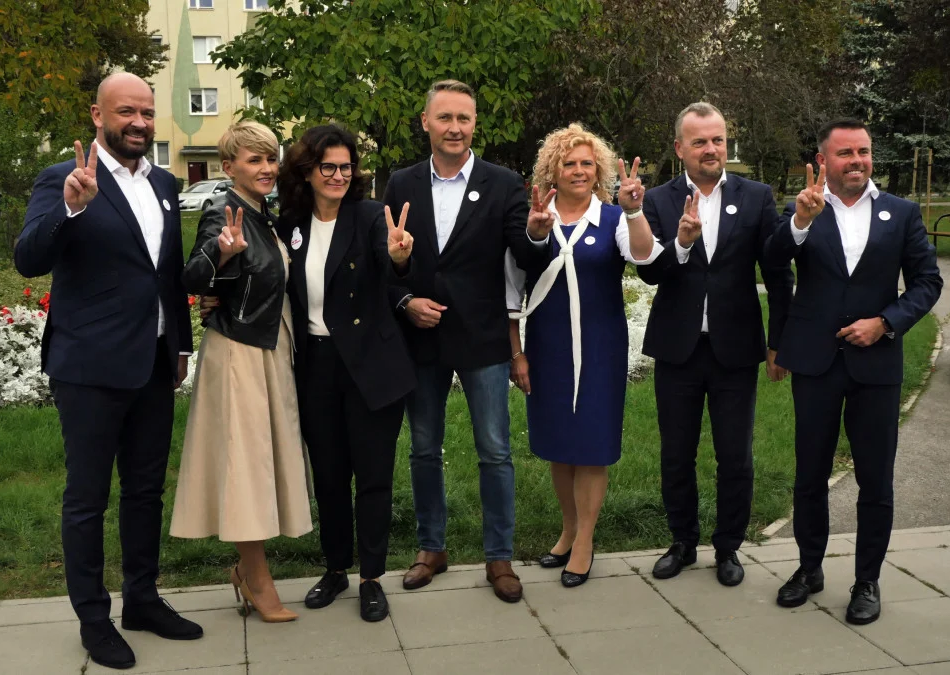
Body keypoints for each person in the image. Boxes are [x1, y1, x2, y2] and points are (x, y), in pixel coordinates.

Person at [15, 73, 201, 670]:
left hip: (152, 363)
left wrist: (179, 346)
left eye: (147, 111)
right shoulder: (64, 178)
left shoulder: (165, 183)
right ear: (98, 115)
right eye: (126, 112)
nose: (139, 123)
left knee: (145, 491)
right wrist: (70, 209)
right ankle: (94, 619)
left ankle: (142, 601)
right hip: (89, 367)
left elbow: (166, 273)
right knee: (87, 499)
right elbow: (28, 259)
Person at [765, 119, 942, 624]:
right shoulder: (803, 208)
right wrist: (799, 223)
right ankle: (809, 568)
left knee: (875, 478)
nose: (857, 161)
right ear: (823, 161)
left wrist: (886, 322)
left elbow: (927, 282)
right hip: (815, 362)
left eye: (863, 151)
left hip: (876, 365)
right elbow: (772, 262)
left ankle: (867, 580)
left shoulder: (901, 213)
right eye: (845, 153)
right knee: (810, 472)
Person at [383, 79, 553, 603]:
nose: (454, 127)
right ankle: (430, 548)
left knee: (495, 452)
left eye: (464, 118)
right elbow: (384, 262)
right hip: (421, 337)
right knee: (423, 449)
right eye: (445, 117)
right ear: (426, 122)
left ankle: (498, 557)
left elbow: (526, 257)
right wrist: (404, 299)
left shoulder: (502, 183)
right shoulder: (400, 183)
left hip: (482, 338)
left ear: (475, 124)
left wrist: (538, 232)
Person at [636, 102, 794, 587]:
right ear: (680, 148)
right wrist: (682, 244)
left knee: (735, 456)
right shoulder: (658, 200)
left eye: (718, 140)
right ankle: (682, 542)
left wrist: (778, 340)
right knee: (676, 454)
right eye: (700, 141)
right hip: (678, 347)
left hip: (736, 348)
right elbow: (649, 272)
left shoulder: (756, 196)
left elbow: (776, 270)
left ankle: (728, 547)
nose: (711, 149)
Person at [504, 124, 661, 587]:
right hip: (547, 347)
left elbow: (645, 257)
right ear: (552, 170)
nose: (578, 171)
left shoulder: (613, 219)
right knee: (559, 444)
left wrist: (634, 211)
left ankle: (585, 541)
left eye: (586, 163)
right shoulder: (535, 218)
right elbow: (511, 290)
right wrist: (517, 353)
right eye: (568, 163)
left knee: (591, 445)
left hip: (600, 348)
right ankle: (569, 529)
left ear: (599, 171)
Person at [271, 124, 416, 622]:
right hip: (315, 365)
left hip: (371, 366)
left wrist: (399, 257)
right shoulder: (290, 222)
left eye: (346, 167)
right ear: (308, 171)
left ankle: (371, 577)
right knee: (330, 477)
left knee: (372, 478)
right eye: (327, 167)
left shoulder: (371, 216)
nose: (338, 175)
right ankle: (335, 569)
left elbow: (389, 261)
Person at [170, 120, 312, 626]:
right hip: (238, 354)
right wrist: (220, 252)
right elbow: (192, 276)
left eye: (271, 158)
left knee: (261, 463)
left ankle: (248, 572)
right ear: (229, 167)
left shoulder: (263, 214)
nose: (267, 168)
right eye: (255, 160)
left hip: (266, 349)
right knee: (245, 468)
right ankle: (256, 578)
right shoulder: (223, 211)